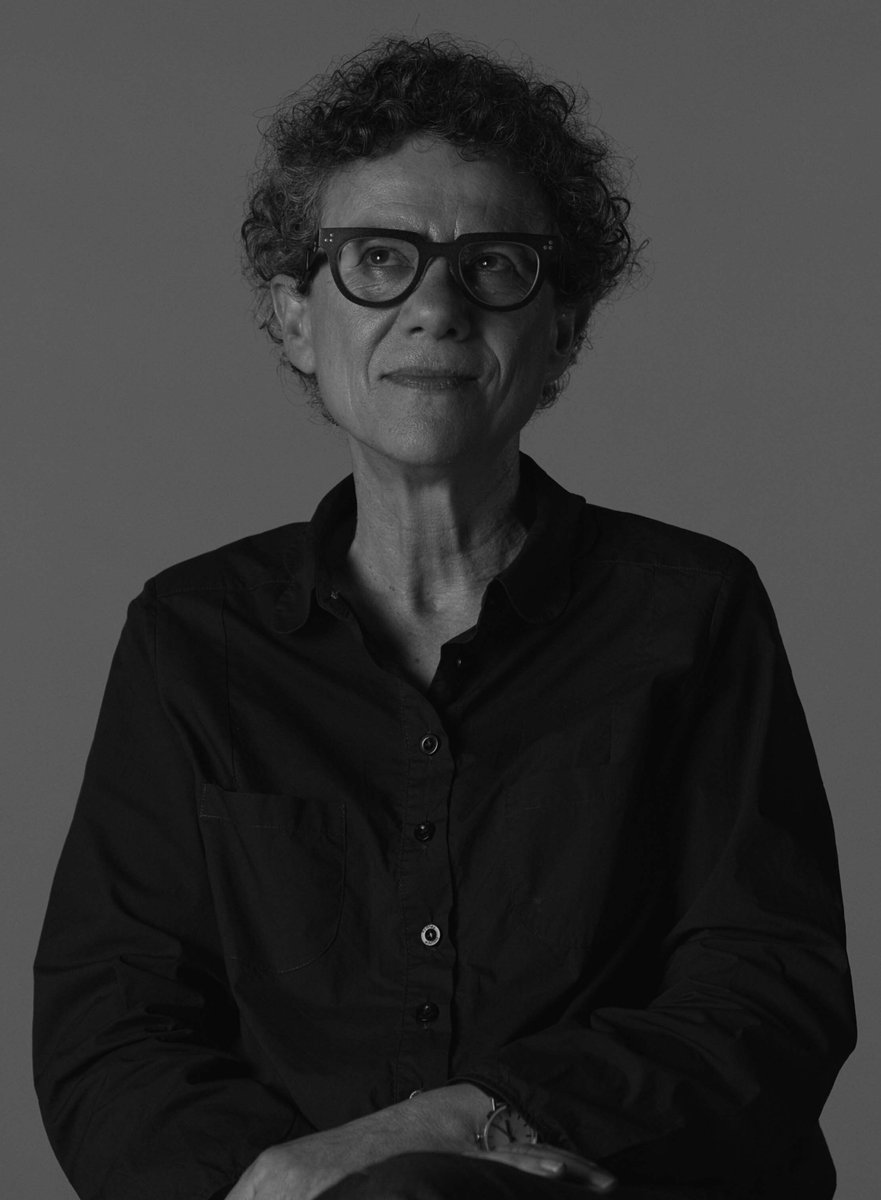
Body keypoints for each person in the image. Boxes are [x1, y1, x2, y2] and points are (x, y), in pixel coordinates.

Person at [33, 36, 855, 1200]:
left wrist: (449, 1130)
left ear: (560, 329)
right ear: (295, 320)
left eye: (492, 265)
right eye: (378, 259)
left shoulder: (689, 611)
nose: (434, 308)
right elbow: (113, 1022)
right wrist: (287, 1183)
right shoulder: (191, 635)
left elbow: (764, 993)